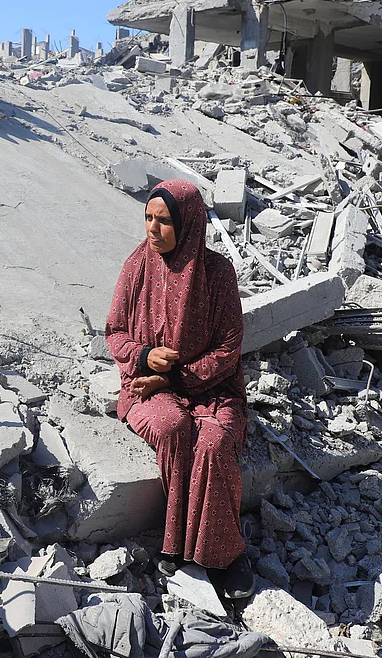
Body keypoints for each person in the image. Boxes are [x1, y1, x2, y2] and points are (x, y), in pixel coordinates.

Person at [105, 178, 254, 599]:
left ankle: (224, 556)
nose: (153, 228)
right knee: (172, 428)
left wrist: (175, 376)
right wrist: (144, 355)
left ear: (188, 224)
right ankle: (176, 542)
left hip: (212, 386)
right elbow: (115, 332)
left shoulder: (217, 273)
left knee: (214, 444)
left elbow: (228, 348)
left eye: (164, 221)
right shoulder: (137, 265)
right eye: (148, 218)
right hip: (145, 383)